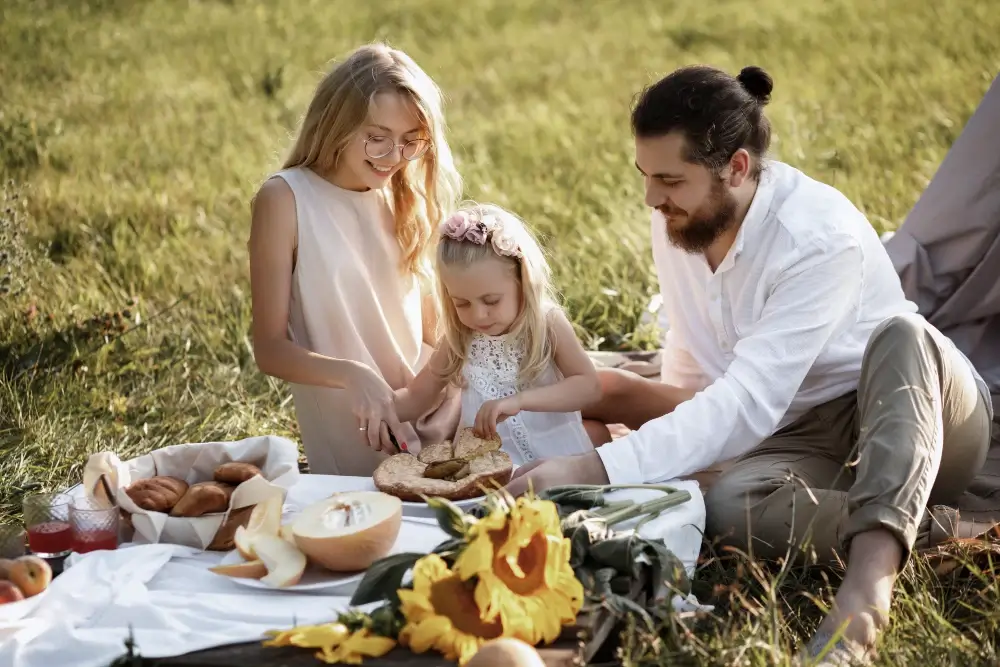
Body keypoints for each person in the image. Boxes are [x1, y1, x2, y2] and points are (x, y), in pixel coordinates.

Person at [505, 64, 994, 662]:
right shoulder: (680, 222)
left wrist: (594, 466)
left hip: (925, 414)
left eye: (669, 179)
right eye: (645, 176)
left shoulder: (816, 236)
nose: (651, 197)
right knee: (731, 505)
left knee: (902, 333)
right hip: (807, 437)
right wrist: (665, 452)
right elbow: (693, 368)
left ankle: (867, 594)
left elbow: (745, 400)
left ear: (736, 167)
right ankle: (955, 533)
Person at [247, 43, 464, 476]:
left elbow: (431, 331)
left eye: (410, 141)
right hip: (362, 436)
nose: (393, 158)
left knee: (587, 415)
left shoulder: (405, 194)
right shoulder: (286, 199)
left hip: (436, 409)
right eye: (377, 138)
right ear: (336, 125)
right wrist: (354, 375)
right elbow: (269, 349)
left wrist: (451, 384)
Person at [394, 203, 604, 465]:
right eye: (462, 303)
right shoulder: (461, 337)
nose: (478, 315)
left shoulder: (546, 323)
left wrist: (520, 401)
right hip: (491, 470)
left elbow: (589, 387)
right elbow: (417, 396)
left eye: (491, 301)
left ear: (523, 282)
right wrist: (381, 411)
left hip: (560, 461)